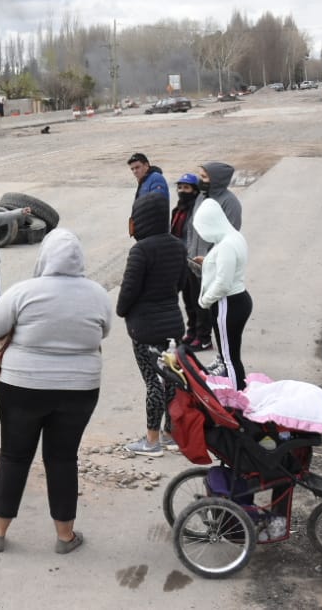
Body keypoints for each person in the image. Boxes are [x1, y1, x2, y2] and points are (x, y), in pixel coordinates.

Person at [0, 228, 111, 555]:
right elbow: (103, 331)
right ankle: (65, 538)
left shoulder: (24, 291)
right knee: (63, 458)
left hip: (23, 386)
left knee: (14, 455)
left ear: (44, 257)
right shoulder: (97, 294)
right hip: (79, 389)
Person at [117, 191, 187, 456]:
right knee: (171, 381)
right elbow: (181, 284)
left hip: (145, 329)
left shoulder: (141, 251)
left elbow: (128, 292)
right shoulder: (178, 245)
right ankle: (170, 434)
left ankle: (151, 440)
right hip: (173, 326)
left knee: (152, 382)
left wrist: (123, 310)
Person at [184, 161, 243, 348]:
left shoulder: (230, 202)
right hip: (194, 260)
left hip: (213, 263)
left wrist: (210, 259)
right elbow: (193, 226)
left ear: (216, 179)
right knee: (193, 301)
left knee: (210, 305)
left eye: (204, 177)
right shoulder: (201, 197)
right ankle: (195, 332)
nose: (200, 180)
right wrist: (189, 251)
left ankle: (205, 338)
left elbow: (230, 234)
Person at [194, 199, 252, 389]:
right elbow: (228, 268)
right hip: (238, 299)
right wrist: (208, 263)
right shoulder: (233, 237)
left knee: (229, 359)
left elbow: (223, 283)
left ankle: (238, 402)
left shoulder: (226, 245)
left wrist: (204, 301)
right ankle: (239, 393)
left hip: (228, 303)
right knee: (231, 355)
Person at [169, 173, 209, 349]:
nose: (182, 191)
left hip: (194, 260)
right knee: (187, 300)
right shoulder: (178, 209)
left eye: (186, 188)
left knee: (198, 301)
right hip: (181, 261)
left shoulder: (197, 210)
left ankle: (203, 337)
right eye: (180, 188)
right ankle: (191, 331)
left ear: (195, 190)